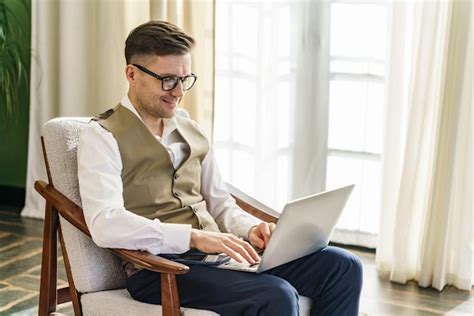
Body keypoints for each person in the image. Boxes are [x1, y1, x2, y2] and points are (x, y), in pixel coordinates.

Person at [77, 20, 363, 316]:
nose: (178, 92)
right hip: (161, 270)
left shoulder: (190, 128)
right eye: (167, 80)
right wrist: (192, 237)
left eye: (185, 79)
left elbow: (221, 205)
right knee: (276, 295)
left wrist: (250, 229)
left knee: (342, 266)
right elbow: (106, 223)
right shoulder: (102, 136)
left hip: (218, 259)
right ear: (132, 74)